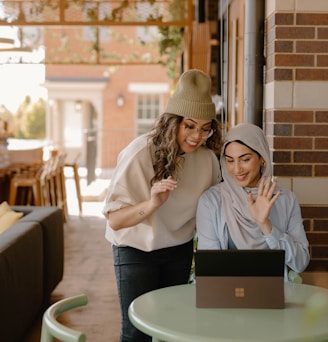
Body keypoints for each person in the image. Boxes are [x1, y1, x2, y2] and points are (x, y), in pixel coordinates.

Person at [102, 69, 222, 342]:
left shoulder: (207, 160)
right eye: (189, 126)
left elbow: (214, 209)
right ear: (173, 122)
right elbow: (115, 221)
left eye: (205, 129)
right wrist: (152, 203)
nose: (196, 136)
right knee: (136, 333)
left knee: (171, 329)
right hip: (135, 250)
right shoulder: (140, 153)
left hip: (177, 250)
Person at [196, 123, 310, 281]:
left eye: (245, 159)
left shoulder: (286, 200)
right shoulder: (211, 201)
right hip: (225, 293)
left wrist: (266, 225)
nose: (237, 169)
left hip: (273, 294)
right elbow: (209, 267)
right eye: (230, 160)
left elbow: (301, 263)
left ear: (262, 158)